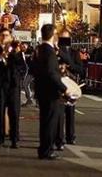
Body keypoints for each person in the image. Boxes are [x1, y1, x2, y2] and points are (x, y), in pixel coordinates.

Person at [33, 24, 68, 160]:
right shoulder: (49, 51)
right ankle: (46, 150)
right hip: (50, 92)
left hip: (42, 91)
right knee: (50, 123)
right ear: (53, 35)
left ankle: (43, 148)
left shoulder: (39, 49)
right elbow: (52, 73)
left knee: (44, 122)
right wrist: (64, 88)